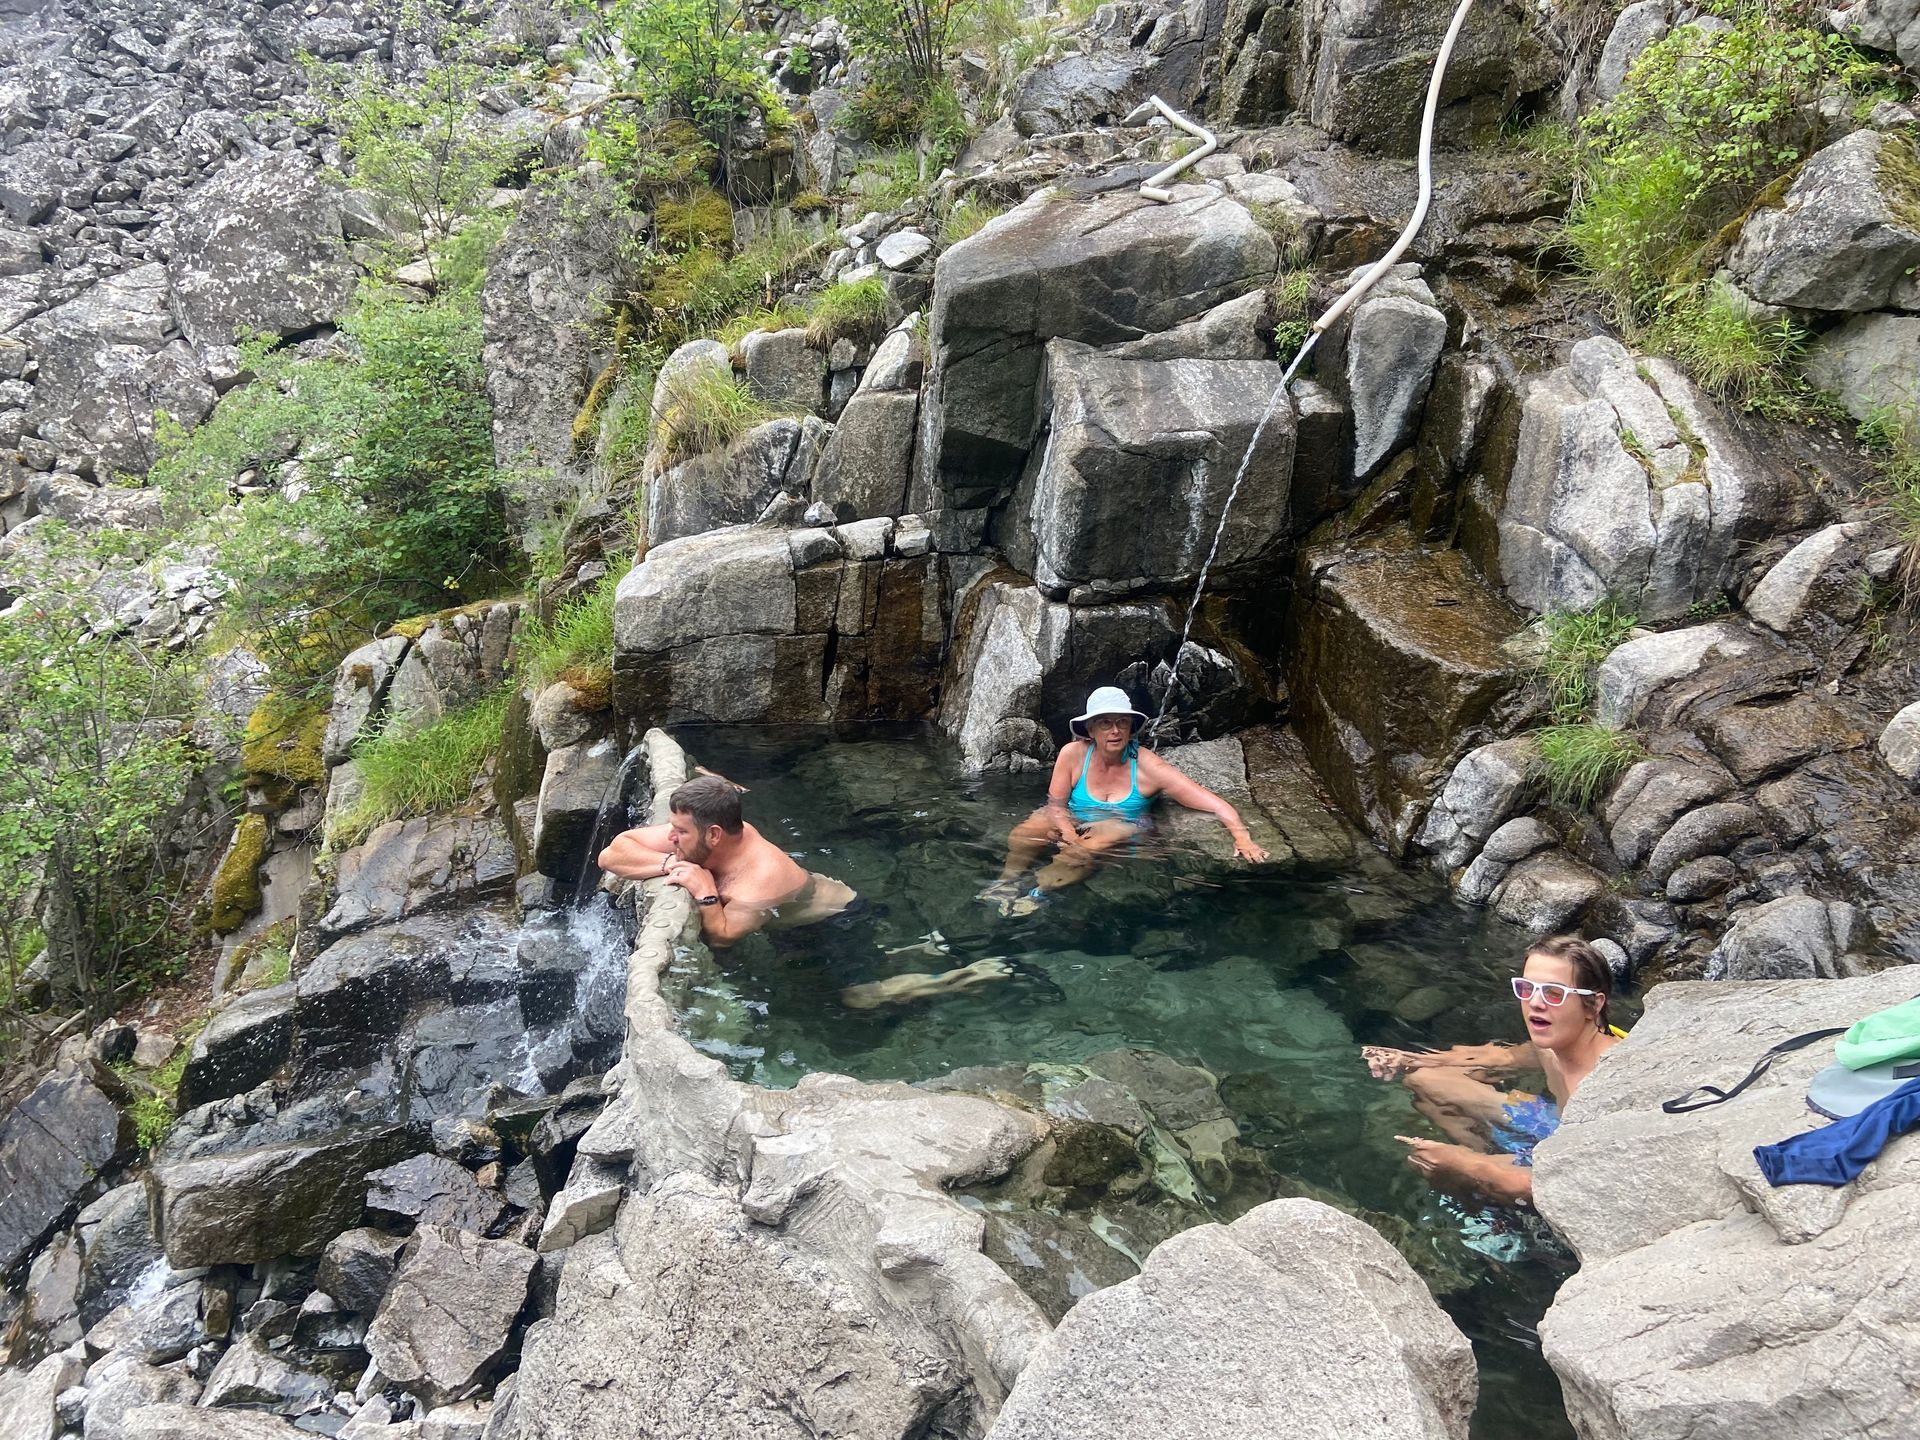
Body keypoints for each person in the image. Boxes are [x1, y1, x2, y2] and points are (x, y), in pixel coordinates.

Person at [1360, 934, 1622, 1205]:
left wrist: (1470, 1165)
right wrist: (1409, 1060)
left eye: (1553, 993)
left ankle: (1492, 1199)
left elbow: (1580, 1182)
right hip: (1551, 1123)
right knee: (1424, 1080)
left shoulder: (1611, 1081)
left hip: (1572, 1163)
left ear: (1593, 1004)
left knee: (1438, 1167)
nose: (1535, 1002)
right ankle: (1484, 1159)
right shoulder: (1550, 1045)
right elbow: (1498, 1058)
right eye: (1526, 988)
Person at [981, 685, 1270, 914]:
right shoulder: (1072, 754)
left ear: (1131, 727)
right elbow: (1056, 805)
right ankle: (1006, 883)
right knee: (1025, 832)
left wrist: (1241, 836)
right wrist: (1067, 831)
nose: (1115, 730)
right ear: (1090, 730)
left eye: (1122, 722)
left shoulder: (1148, 766)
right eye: (1105, 723)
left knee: (1082, 849)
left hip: (1123, 823)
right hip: (1073, 815)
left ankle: (1038, 891)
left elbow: (1214, 803)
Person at [597, 773, 858, 947]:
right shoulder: (705, 835)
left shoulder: (761, 878)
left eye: (681, 831)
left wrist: (707, 894)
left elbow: (722, 937)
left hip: (838, 922)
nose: (671, 836)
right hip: (787, 925)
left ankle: (900, 983)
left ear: (713, 835)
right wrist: (670, 864)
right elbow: (610, 855)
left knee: (859, 999)